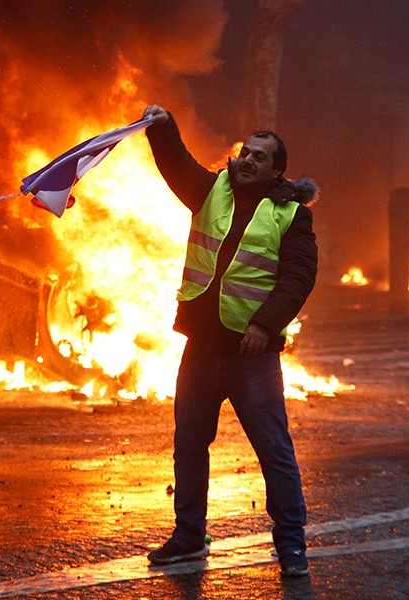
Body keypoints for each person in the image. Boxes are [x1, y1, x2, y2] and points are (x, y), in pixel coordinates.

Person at [142, 104, 318, 578]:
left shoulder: (290, 215)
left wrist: (264, 325)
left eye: (260, 156)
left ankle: (291, 545)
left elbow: (299, 277)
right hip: (201, 348)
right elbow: (176, 164)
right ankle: (188, 537)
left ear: (277, 171)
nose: (247, 160)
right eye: (245, 152)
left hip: (250, 355)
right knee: (189, 445)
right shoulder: (211, 190)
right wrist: (163, 128)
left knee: (274, 451)